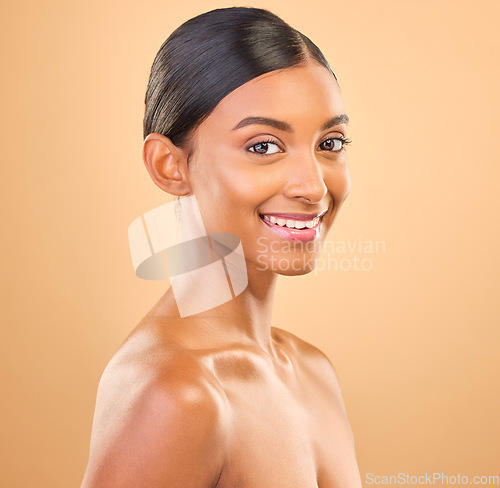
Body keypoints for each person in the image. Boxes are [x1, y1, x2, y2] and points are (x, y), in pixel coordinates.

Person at [81, 6, 361, 487]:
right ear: (171, 166)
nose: (313, 187)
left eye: (329, 143)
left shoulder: (314, 372)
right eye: (263, 146)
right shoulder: (174, 393)